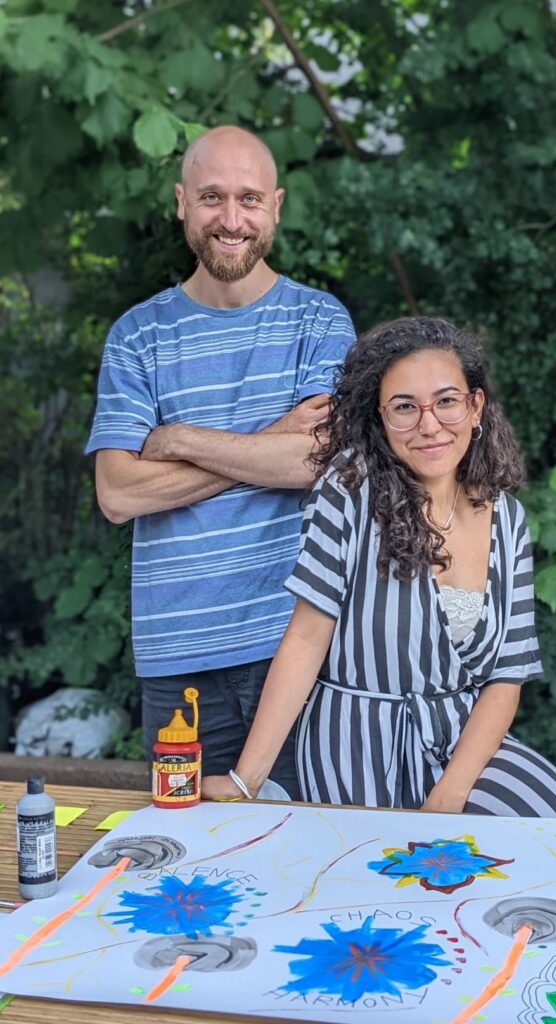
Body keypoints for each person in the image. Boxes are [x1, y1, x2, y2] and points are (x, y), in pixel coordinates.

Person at [203, 317, 556, 818]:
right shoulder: (347, 492)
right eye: (405, 407)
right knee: (379, 881)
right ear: (380, 418)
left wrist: (450, 797)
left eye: (446, 401)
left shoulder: (507, 517)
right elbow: (306, 638)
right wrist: (245, 779)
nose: (429, 424)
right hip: (354, 742)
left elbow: (505, 680)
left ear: (475, 407)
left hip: (461, 742)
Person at [86, 126, 355, 799]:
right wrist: (269, 439)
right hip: (176, 663)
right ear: (181, 202)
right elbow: (118, 494)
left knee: (307, 859)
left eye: (248, 199)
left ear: (277, 206)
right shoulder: (137, 335)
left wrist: (176, 437)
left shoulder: (318, 322)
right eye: (211, 197)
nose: (231, 220)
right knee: (182, 864)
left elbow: (313, 461)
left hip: (294, 650)